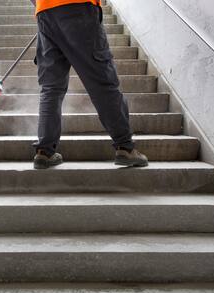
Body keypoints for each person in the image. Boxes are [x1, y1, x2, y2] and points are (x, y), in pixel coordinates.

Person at [29, 0, 149, 169]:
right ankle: (125, 148)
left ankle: (44, 152)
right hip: (78, 8)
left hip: (45, 12)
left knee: (51, 88)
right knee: (103, 83)